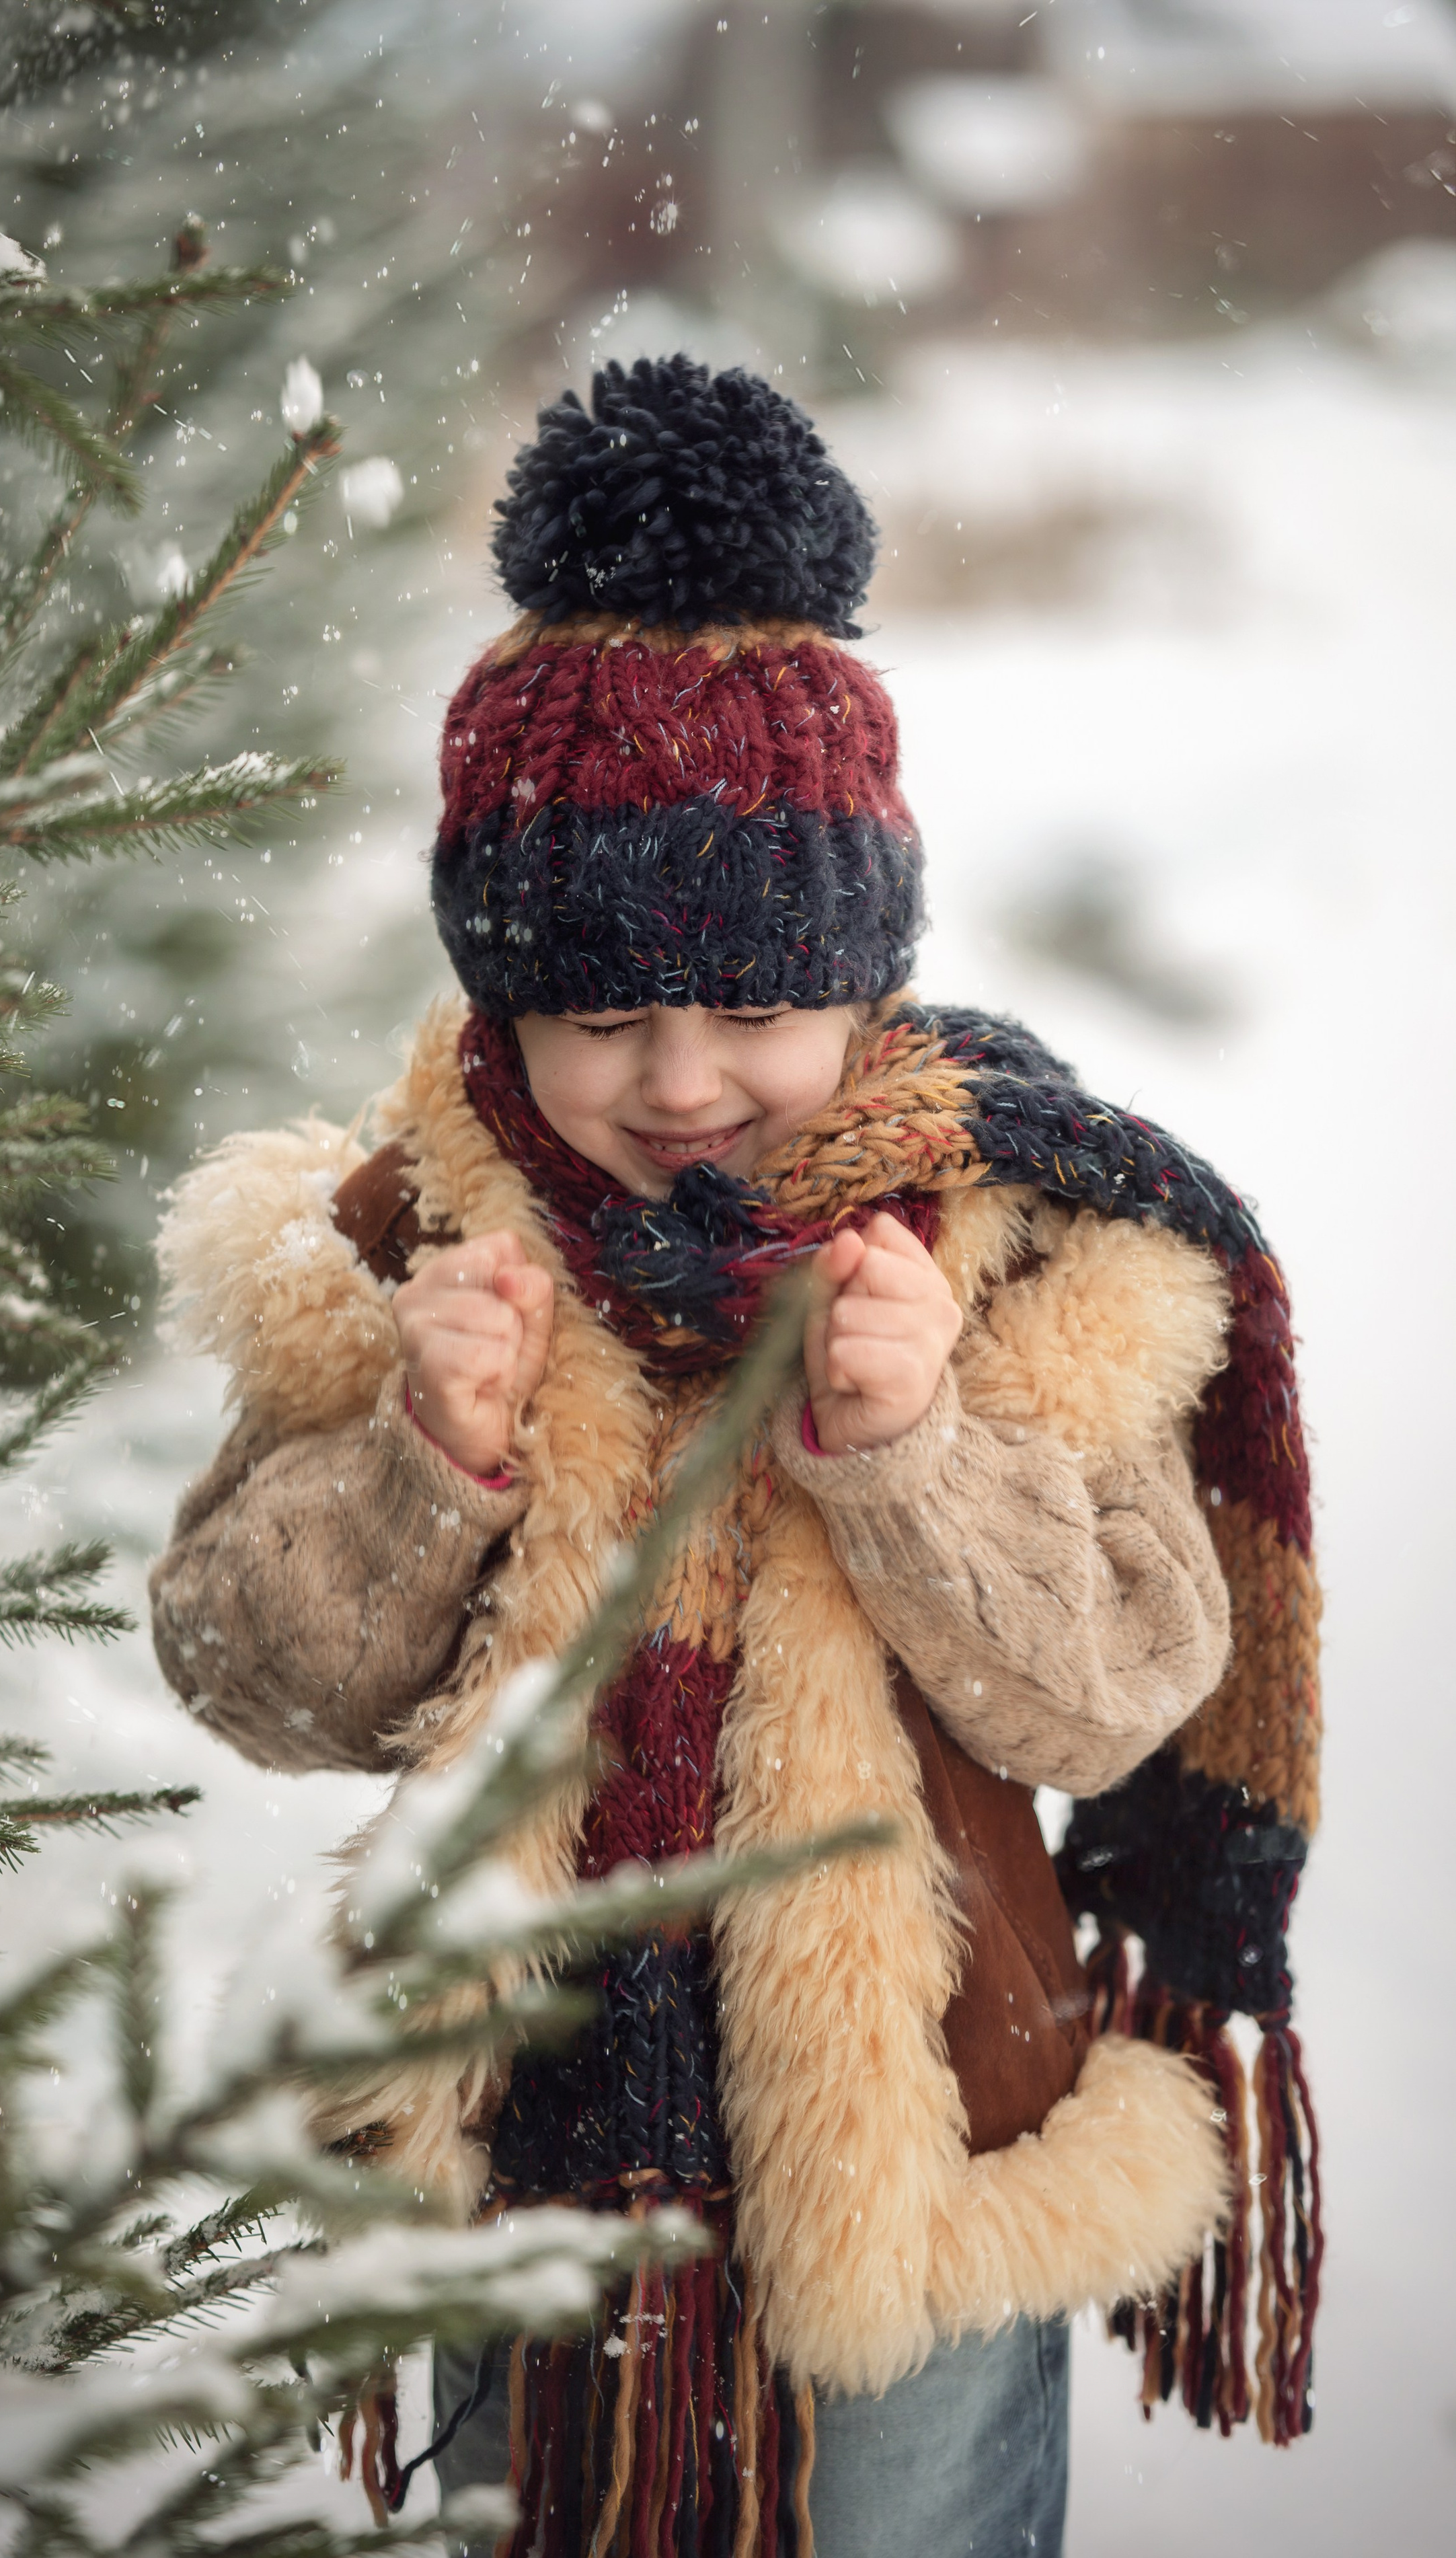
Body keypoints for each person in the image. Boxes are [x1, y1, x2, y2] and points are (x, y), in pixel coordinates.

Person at [149, 356, 1322, 2558]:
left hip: (926, 2152)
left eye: (754, 1009)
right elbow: (248, 1669)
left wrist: (916, 1454)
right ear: (506, 1002)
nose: (681, 1081)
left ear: (862, 982)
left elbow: (1104, 1692)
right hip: (526, 2150)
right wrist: (425, 1464)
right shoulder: (423, 1240)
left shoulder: (1012, 1250)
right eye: (603, 1018)